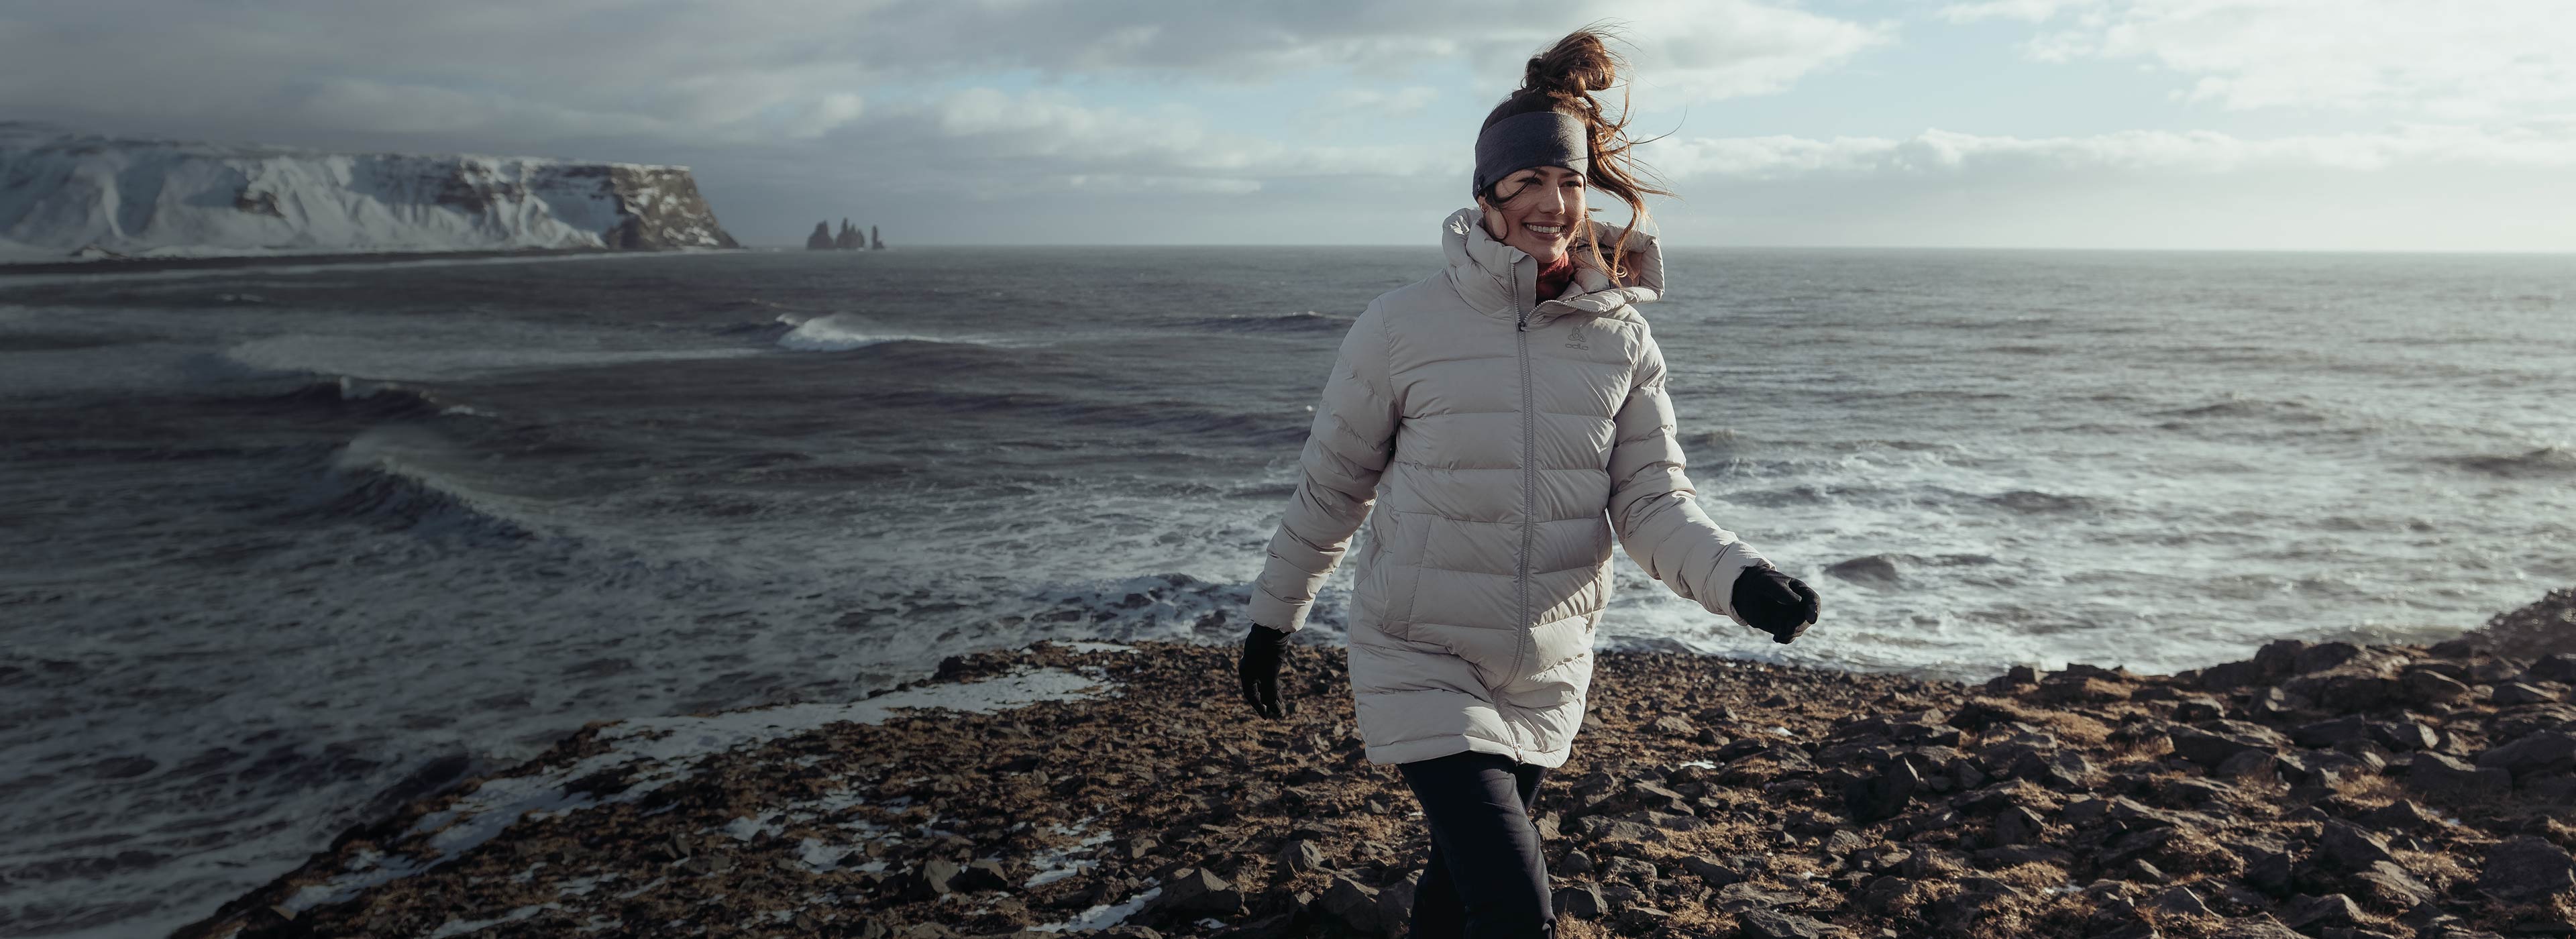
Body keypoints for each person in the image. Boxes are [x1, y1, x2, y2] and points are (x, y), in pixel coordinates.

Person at [1233, 27, 1822, 939]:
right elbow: (1334, 488)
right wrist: (1276, 619)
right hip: (1420, 650)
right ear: (1487, 195)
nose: (1553, 203)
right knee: (1516, 911)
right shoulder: (1400, 329)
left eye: (1571, 182)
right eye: (1530, 183)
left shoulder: (1619, 336)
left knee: (1456, 897)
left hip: (1547, 667)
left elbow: (1651, 500)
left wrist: (1738, 579)